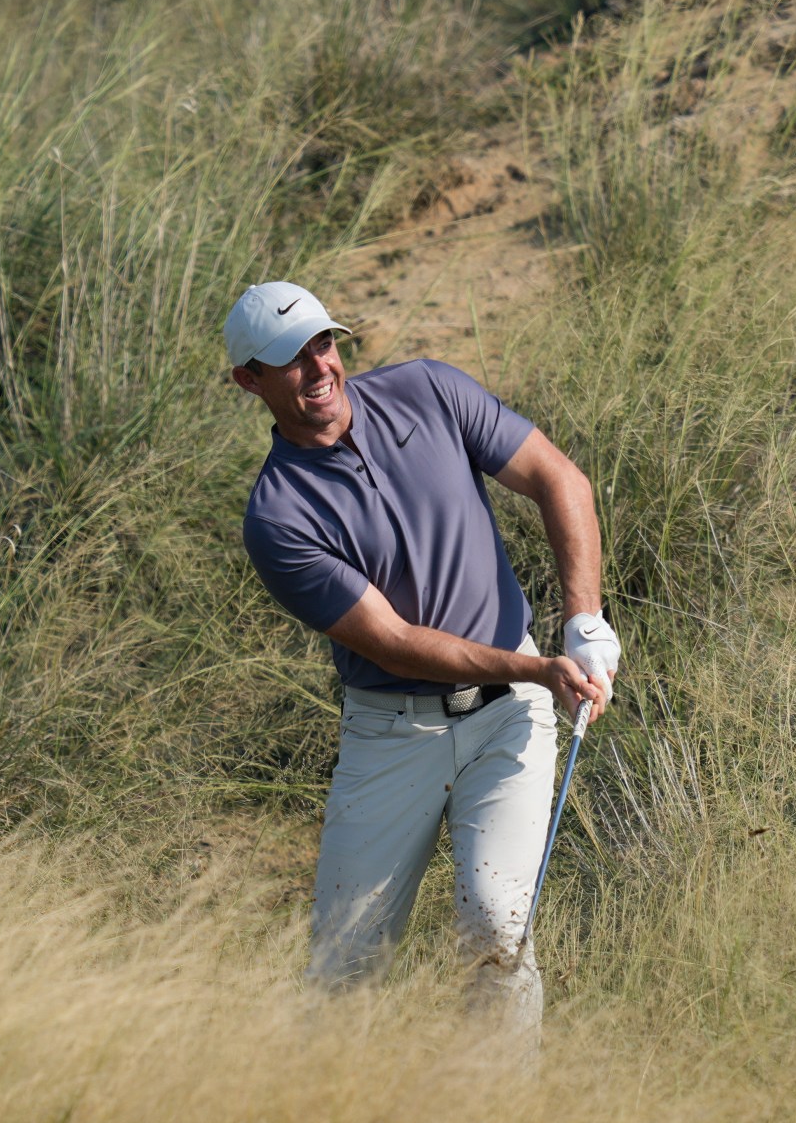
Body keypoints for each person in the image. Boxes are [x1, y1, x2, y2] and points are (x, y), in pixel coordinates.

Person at [227, 280, 620, 1037]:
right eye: (289, 360)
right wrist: (539, 669)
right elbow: (397, 641)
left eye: (323, 343)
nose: (319, 370)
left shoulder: (427, 389)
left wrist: (583, 621)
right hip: (392, 736)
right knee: (343, 971)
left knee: (496, 935)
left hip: (510, 720)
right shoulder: (277, 517)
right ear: (251, 380)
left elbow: (558, 479)